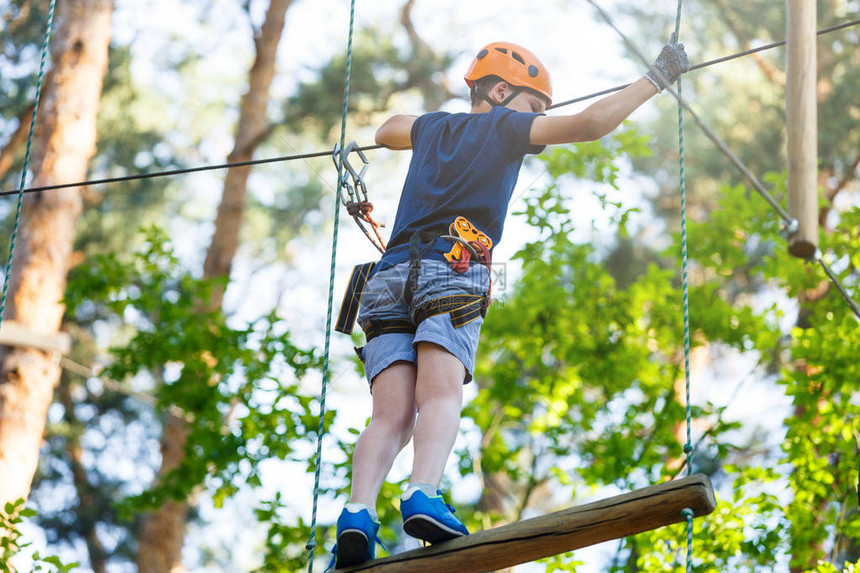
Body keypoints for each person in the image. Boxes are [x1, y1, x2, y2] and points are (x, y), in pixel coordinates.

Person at [327, 40, 689, 570]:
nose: (540, 121)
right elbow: (591, 123)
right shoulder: (505, 127)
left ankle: (357, 512)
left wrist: (426, 123)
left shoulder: (433, 127)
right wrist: (657, 78)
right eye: (536, 107)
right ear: (500, 92)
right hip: (453, 266)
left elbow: (387, 130)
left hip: (388, 276)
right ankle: (421, 492)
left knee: (389, 415)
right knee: (442, 394)